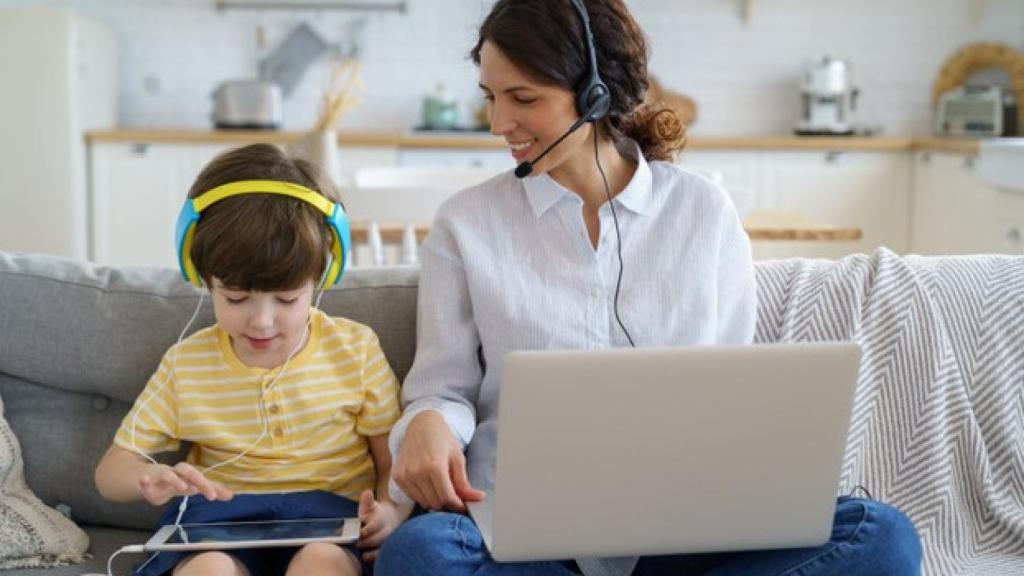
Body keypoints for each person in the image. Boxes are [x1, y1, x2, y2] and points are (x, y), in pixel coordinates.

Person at [374, 1, 922, 575]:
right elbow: (443, 390)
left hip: (682, 532)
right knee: (420, 555)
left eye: (524, 98)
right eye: (491, 96)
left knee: (882, 536)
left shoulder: (702, 211)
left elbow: (733, 392)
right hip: (521, 537)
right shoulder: (466, 223)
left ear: (596, 93)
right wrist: (429, 423)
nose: (498, 123)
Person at [94, 143, 411, 576]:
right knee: (209, 571)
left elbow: (390, 460)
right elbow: (110, 473)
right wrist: (147, 480)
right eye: (236, 298)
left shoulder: (354, 349)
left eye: (287, 298)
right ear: (202, 277)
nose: (261, 322)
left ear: (323, 277)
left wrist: (391, 511)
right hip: (218, 528)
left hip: (328, 529)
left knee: (321, 564)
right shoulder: (187, 363)